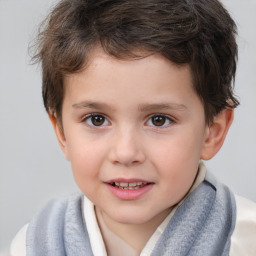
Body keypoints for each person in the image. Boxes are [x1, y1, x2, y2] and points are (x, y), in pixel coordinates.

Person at [10, 0, 256, 255]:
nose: (125, 153)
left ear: (212, 131)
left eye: (159, 120)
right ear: (62, 133)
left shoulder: (245, 240)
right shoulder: (33, 245)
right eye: (97, 119)